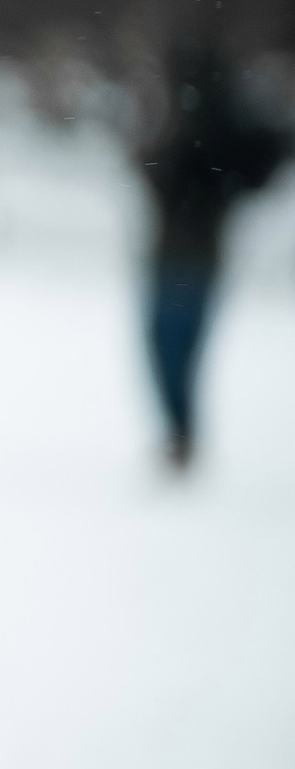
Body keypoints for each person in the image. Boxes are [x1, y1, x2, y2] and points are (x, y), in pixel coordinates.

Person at [140, 44, 287, 470]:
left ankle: (180, 434)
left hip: (190, 256)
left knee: (172, 349)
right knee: (174, 350)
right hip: (184, 256)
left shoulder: (208, 131)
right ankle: (180, 433)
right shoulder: (203, 128)